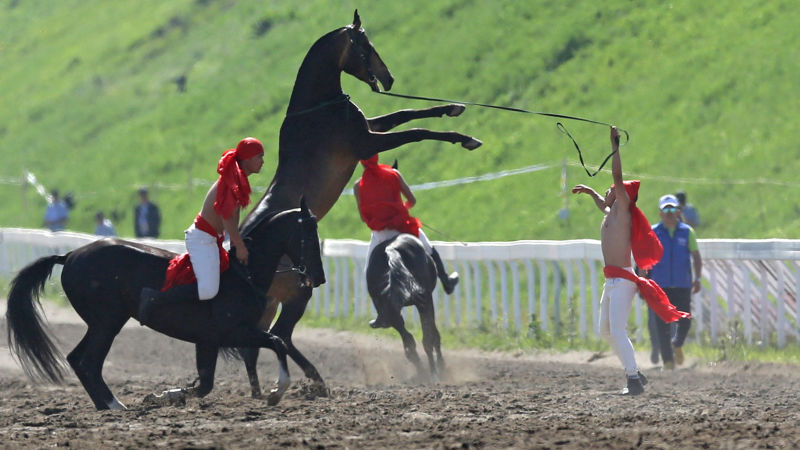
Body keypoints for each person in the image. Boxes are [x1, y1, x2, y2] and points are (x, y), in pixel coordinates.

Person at [572, 127, 689, 395]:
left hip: (623, 280)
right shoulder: (611, 212)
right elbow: (603, 203)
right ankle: (633, 369)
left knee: (617, 329)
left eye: (613, 190)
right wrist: (591, 193)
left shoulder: (622, 211)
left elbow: (616, 175)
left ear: (623, 197)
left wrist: (614, 146)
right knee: (605, 331)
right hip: (611, 279)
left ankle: (633, 378)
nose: (609, 191)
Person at [139, 137, 265, 325]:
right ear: (246, 159)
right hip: (203, 239)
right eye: (259, 157)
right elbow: (226, 217)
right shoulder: (232, 180)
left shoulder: (236, 177)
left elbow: (229, 218)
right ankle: (155, 298)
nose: (263, 161)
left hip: (210, 239)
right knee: (208, 291)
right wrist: (239, 245)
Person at [353, 155, 459, 311]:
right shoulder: (394, 174)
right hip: (403, 228)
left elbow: (363, 217)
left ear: (362, 163)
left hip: (380, 234)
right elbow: (412, 200)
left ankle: (380, 313)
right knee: (429, 249)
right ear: (377, 158)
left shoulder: (357, 186)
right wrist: (400, 209)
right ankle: (446, 282)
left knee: (369, 270)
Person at [649, 194, 703, 367]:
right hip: (660, 285)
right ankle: (668, 361)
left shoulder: (687, 232)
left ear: (678, 211)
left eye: (673, 209)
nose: (670, 213)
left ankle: (677, 344)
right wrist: (643, 281)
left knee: (685, 320)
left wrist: (698, 278)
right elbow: (644, 258)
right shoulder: (653, 233)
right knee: (661, 324)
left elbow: (696, 257)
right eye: (666, 209)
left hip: (682, 284)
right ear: (660, 213)